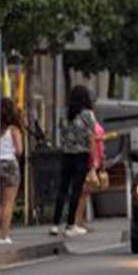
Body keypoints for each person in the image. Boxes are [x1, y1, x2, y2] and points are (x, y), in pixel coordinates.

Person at [51, 85, 98, 237]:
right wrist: (94, 160)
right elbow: (92, 139)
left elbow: (61, 132)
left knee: (62, 189)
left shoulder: (64, 113)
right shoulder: (88, 115)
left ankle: (55, 224)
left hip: (66, 155)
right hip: (81, 156)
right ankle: (70, 225)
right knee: (75, 191)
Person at [0, 98, 24, 245]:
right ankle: (4, 235)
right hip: (10, 165)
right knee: (8, 202)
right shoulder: (13, 130)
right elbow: (19, 150)